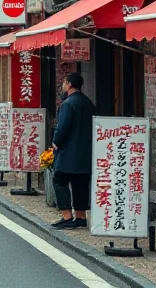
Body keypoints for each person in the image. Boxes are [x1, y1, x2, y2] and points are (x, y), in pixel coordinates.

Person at [51, 73, 95, 229]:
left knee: (59, 181)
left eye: (64, 83)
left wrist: (55, 143)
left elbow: (62, 127)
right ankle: (81, 217)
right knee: (80, 184)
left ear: (69, 84)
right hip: (86, 151)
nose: (63, 86)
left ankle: (67, 216)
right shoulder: (88, 103)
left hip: (68, 152)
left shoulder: (68, 104)